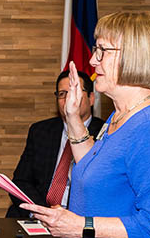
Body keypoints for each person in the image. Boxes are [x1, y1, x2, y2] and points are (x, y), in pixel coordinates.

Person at [20, 12, 150, 238]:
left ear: (135, 56)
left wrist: (79, 226)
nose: (92, 60)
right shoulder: (120, 116)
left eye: (103, 51)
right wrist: (72, 117)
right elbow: (95, 167)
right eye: (95, 49)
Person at [6, 71, 104, 218]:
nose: (68, 99)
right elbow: (21, 182)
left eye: (74, 92)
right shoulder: (40, 131)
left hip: (80, 220)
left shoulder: (107, 133)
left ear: (91, 98)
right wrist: (44, 212)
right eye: (62, 94)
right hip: (39, 215)